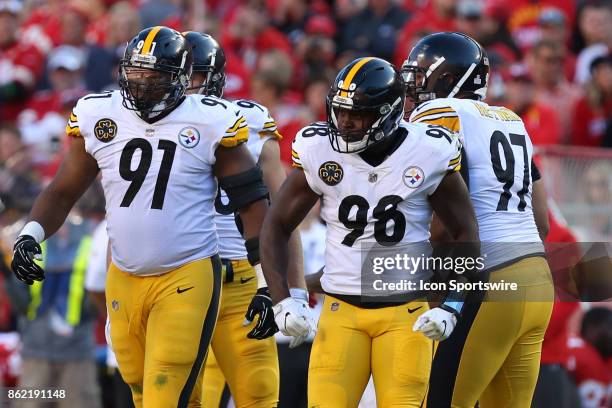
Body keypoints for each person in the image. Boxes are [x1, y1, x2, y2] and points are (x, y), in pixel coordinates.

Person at [9, 26, 275, 408]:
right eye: (136, 72)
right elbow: (63, 190)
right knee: (139, 388)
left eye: (155, 75)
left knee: (166, 390)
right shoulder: (100, 113)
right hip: (125, 276)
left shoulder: (210, 119)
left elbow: (254, 202)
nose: (142, 82)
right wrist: (30, 234)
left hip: (187, 271)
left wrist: (267, 280)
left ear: (182, 78)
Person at [261, 57, 480, 407]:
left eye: (357, 114)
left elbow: (465, 232)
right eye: (340, 111)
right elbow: (276, 224)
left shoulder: (429, 150)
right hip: (340, 310)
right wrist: (286, 297)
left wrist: (451, 305)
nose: (344, 122)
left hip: (405, 313)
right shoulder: (319, 149)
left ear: (389, 113)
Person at [403, 32, 554, 408]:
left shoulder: (439, 113)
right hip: (537, 279)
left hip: (486, 279)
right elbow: (543, 221)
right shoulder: (512, 119)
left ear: (448, 78)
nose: (413, 87)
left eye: (420, 76)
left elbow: (448, 223)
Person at [182, 31, 306, 408]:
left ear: (215, 77)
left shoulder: (249, 122)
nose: (182, 86)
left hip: (241, 276)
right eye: (175, 75)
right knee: (184, 394)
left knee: (258, 393)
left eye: (193, 76)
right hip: (180, 276)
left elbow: (284, 217)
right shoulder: (148, 126)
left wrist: (295, 293)